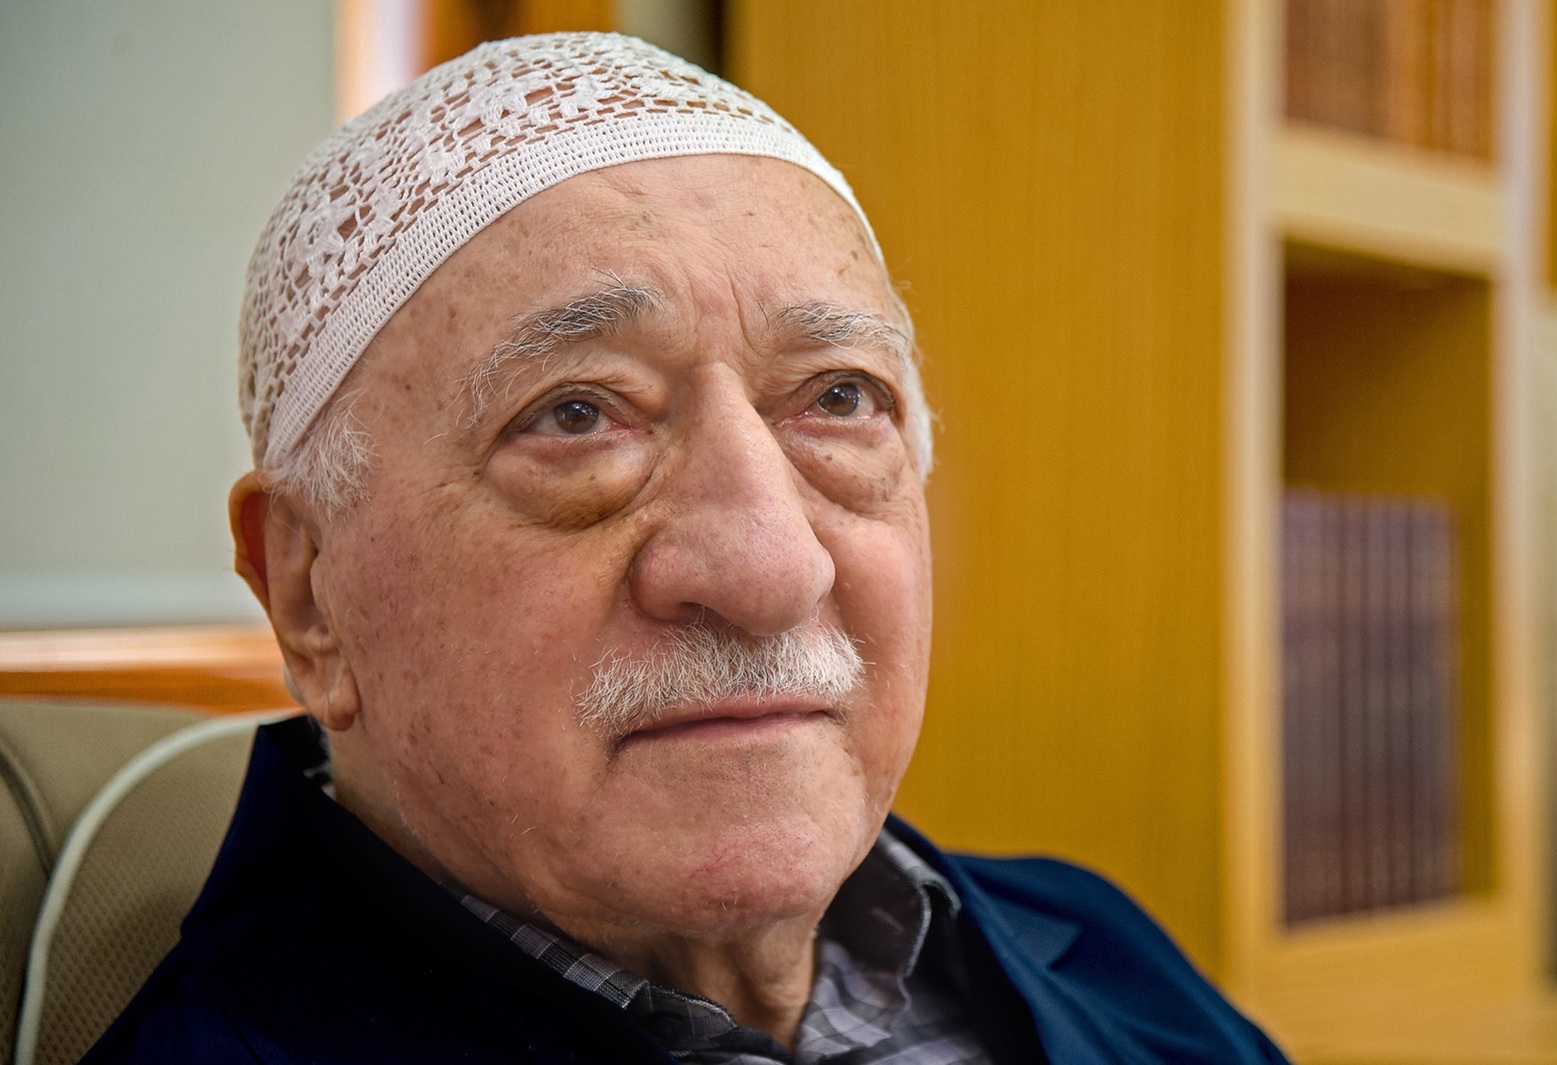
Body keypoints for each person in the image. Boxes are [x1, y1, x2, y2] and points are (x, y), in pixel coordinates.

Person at [85, 33, 1290, 1065]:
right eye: (575, 416)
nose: (771, 570)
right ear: (308, 593)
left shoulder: (1093, 939)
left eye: (835, 399)